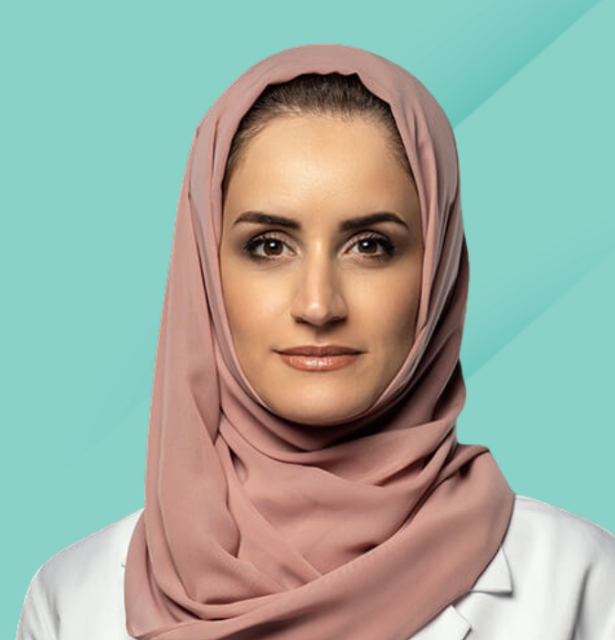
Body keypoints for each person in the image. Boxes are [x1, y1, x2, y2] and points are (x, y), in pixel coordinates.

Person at [15, 44, 615, 640]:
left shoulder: (579, 584)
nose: (319, 305)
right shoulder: (73, 601)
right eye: (270, 246)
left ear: (437, 271)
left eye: (370, 246)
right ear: (205, 271)